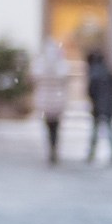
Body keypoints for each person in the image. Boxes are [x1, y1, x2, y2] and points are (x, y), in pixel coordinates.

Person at [34, 36, 70, 165]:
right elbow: (65, 79)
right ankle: (54, 147)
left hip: (46, 100)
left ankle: (51, 148)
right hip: (57, 100)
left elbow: (35, 77)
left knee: (49, 126)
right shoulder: (61, 64)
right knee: (55, 127)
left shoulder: (41, 64)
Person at [85, 47, 112, 165]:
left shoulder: (94, 73)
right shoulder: (108, 71)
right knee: (109, 130)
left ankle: (92, 153)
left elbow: (91, 91)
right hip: (109, 105)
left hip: (99, 106)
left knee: (96, 131)